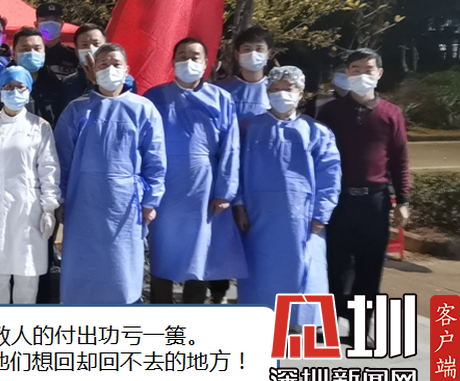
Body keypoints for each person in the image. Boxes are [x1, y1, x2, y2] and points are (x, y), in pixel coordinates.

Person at [55, 43, 166, 304]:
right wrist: (60, 200)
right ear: (93, 69)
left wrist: (151, 201)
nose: (110, 69)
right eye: (103, 64)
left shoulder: (143, 109)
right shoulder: (77, 109)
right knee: (82, 270)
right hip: (83, 204)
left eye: (116, 64)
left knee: (121, 271)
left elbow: (155, 160)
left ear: (127, 69)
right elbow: (61, 160)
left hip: (125, 206)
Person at [316, 48, 411, 347]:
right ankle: (330, 324)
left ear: (379, 73)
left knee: (370, 267)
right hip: (338, 200)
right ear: (347, 73)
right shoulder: (330, 112)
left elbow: (400, 160)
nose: (361, 75)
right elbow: (317, 157)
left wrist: (404, 201)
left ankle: (360, 328)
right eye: (355, 69)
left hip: (375, 201)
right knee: (334, 264)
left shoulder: (391, 114)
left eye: (368, 69)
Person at [234, 66, 342, 328]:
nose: (282, 93)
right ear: (267, 91)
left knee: (304, 269)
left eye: (288, 88)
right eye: (276, 88)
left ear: (300, 92)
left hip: (301, 217)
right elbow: (234, 169)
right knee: (260, 270)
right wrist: (238, 205)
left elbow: (330, 174)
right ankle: (260, 319)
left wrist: (321, 214)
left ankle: (300, 324)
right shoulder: (249, 128)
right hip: (258, 215)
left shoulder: (316, 131)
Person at [144, 38, 244, 305]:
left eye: (195, 56)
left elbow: (230, 147)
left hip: (203, 187)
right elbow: (141, 144)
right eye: (182, 56)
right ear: (172, 61)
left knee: (200, 252)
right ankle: (159, 310)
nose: (188, 61)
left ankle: (193, 312)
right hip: (163, 186)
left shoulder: (221, 99)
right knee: (161, 249)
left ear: (206, 62)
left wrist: (224, 192)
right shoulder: (154, 97)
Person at [0, 66, 62, 304]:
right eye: (8, 86)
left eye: (20, 87)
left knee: (28, 274)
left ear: (28, 90)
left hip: (29, 209)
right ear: (0, 90)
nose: (14, 91)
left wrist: (49, 208)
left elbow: (49, 168)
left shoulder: (40, 127)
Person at [209, 26, 273, 304]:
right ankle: (218, 292)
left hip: (263, 177)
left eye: (259, 49)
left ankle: (258, 296)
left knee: (260, 239)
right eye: (247, 49)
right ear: (237, 54)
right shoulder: (222, 90)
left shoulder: (278, 90)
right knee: (223, 236)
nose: (253, 54)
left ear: (269, 54)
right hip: (226, 172)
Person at [0, 27, 66, 127]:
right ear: (14, 53)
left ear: (44, 53)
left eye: (37, 49)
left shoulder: (56, 86)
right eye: (25, 49)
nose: (32, 53)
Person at [61, 23, 136, 104]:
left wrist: (96, 83)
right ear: (76, 51)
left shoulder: (123, 79)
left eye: (96, 44)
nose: (91, 48)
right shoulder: (69, 83)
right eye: (84, 45)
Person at [35, 2, 80, 80]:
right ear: (36, 25)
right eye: (45, 19)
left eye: (55, 19)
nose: (51, 23)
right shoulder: (30, 54)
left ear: (62, 24)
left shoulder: (74, 56)